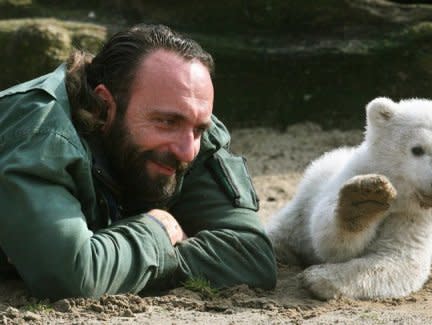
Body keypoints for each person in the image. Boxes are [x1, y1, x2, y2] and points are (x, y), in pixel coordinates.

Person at [0, 24, 276, 299]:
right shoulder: (40, 135)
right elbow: (75, 277)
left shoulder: (186, 132)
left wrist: (122, 259)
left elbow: (250, 255)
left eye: (199, 129)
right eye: (166, 122)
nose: (187, 151)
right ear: (104, 106)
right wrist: (158, 230)